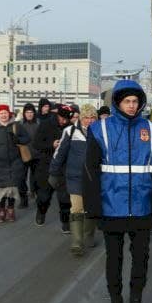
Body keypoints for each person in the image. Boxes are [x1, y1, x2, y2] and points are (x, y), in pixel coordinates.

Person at [83, 79, 152, 303]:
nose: (131, 106)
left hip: (142, 208)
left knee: (141, 259)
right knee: (114, 260)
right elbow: (90, 171)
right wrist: (94, 207)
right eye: (126, 101)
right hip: (112, 207)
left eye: (135, 101)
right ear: (118, 102)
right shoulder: (101, 129)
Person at [50, 103, 98, 255]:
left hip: (94, 178)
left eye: (92, 118)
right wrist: (53, 172)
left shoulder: (101, 133)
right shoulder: (69, 131)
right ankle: (77, 242)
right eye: (86, 118)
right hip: (75, 177)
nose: (89, 121)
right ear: (81, 118)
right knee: (77, 208)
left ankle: (89, 234)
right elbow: (59, 153)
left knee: (91, 209)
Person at [31, 98, 62, 226]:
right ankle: (41, 212)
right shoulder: (45, 125)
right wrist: (51, 145)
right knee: (44, 194)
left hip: (64, 165)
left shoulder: (70, 126)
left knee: (65, 198)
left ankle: (65, 221)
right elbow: (36, 143)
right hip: (47, 163)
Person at [16, 103, 38, 207]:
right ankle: (23, 199)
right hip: (23, 155)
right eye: (27, 112)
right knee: (21, 178)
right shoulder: (19, 125)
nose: (29, 114)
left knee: (35, 178)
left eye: (31, 112)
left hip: (36, 155)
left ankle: (35, 193)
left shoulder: (38, 124)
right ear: (24, 113)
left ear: (34, 113)